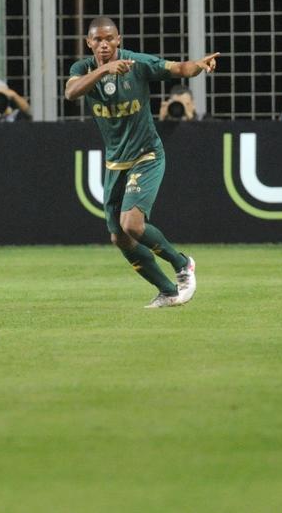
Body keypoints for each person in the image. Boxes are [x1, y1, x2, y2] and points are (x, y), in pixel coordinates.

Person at [65, 16, 220, 308]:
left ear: (118, 39)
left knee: (132, 224)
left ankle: (183, 263)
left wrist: (198, 65)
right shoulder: (82, 69)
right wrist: (104, 70)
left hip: (146, 155)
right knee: (119, 238)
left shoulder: (136, 63)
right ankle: (168, 291)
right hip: (115, 163)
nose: (104, 44)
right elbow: (71, 92)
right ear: (89, 43)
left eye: (109, 38)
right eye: (97, 40)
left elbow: (178, 68)